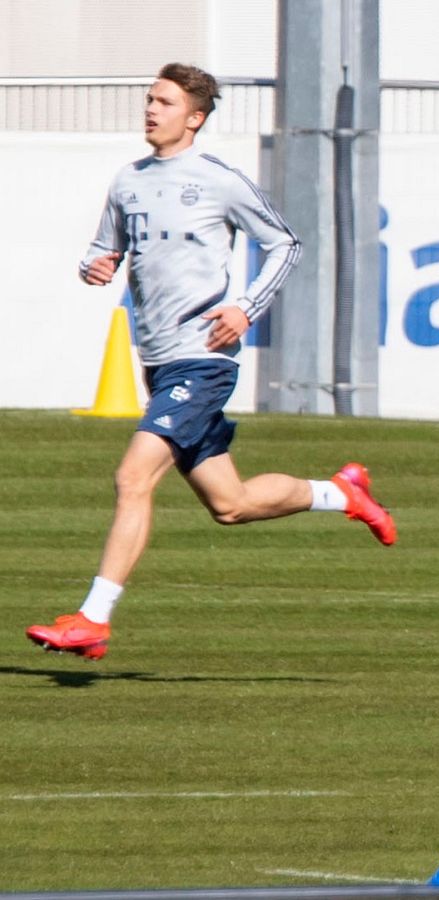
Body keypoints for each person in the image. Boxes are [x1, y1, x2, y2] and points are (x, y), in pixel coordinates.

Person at [25, 63, 396, 662]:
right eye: (149, 99)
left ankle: (93, 620)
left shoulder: (218, 181)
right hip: (160, 363)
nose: (151, 110)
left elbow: (286, 243)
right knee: (232, 505)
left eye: (164, 102)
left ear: (194, 118)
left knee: (132, 478)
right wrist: (96, 266)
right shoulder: (128, 181)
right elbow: (103, 250)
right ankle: (342, 494)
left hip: (203, 362)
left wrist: (246, 307)